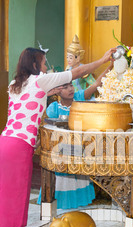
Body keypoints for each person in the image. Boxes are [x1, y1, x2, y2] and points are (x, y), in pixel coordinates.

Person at [0, 47, 115, 227]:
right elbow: (78, 72)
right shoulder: (40, 80)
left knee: (3, 198)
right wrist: (103, 59)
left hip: (4, 143)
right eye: (44, 62)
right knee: (15, 200)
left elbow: (37, 99)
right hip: (19, 146)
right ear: (35, 64)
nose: (46, 66)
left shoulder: (15, 84)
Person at [37, 65, 111, 209]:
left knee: (78, 177)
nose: (70, 89)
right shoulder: (53, 108)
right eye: (65, 87)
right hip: (60, 152)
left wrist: (110, 65)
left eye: (71, 85)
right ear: (57, 91)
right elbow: (49, 132)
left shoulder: (79, 98)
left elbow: (96, 84)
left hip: (79, 148)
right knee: (62, 179)